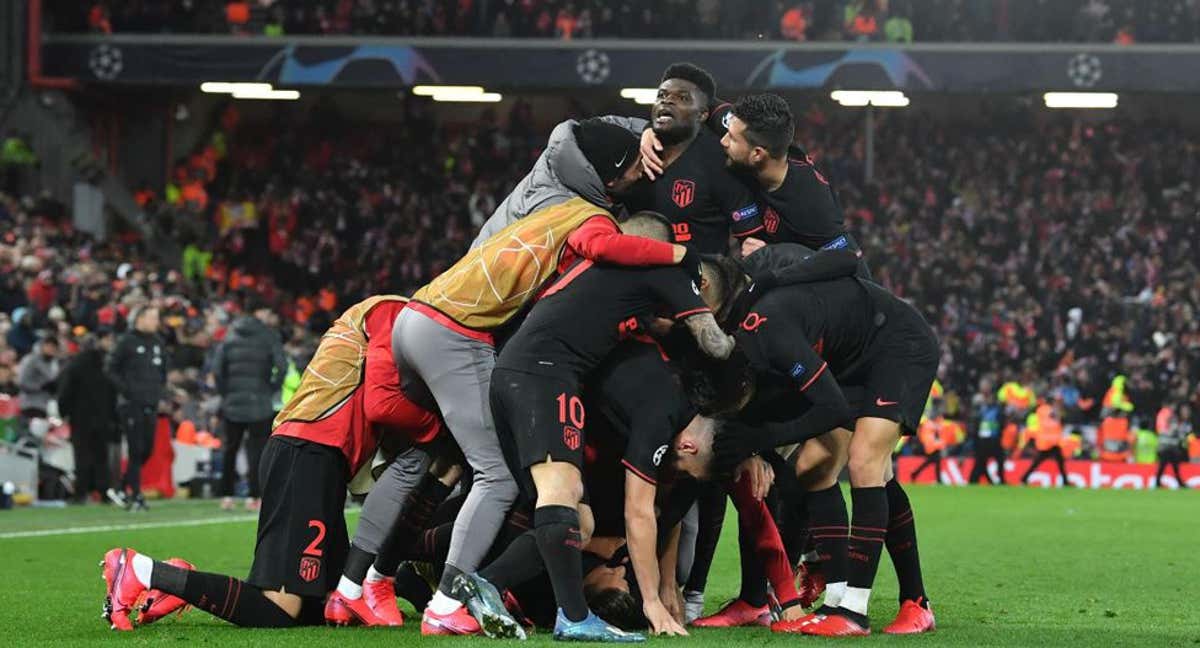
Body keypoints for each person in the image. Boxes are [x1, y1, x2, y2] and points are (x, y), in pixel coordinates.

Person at [391, 119, 700, 637]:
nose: (636, 181)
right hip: (470, 334)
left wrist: (639, 128)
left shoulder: (556, 179)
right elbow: (609, 247)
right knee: (503, 480)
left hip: (443, 320)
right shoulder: (584, 217)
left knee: (486, 478)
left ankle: (382, 576)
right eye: (630, 171)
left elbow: (576, 130)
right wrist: (682, 257)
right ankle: (452, 601)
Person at [99, 296, 441, 631]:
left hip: (317, 455)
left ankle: (179, 582)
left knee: (320, 606)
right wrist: (439, 426)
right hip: (308, 453)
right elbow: (382, 405)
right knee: (281, 609)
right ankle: (143, 571)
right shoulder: (393, 311)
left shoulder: (388, 316)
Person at [452, 248, 733, 642]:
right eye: (686, 467)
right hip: (545, 374)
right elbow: (639, 511)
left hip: (519, 372)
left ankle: (481, 588)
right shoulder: (665, 405)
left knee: (575, 519)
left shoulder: (622, 289)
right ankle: (575, 618)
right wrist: (651, 601)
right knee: (562, 492)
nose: (678, 472)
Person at [703, 252, 939, 637]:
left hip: (898, 345)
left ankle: (856, 613)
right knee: (813, 466)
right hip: (853, 359)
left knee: (865, 461)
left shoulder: (769, 332)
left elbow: (829, 408)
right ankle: (838, 601)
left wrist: (760, 439)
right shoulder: (751, 334)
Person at [211, 297, 287, 511]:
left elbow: (217, 370)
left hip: (232, 403)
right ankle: (255, 496)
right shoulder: (269, 336)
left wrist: (226, 393)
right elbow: (281, 367)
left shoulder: (230, 334)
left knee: (229, 450)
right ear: (260, 312)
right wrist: (269, 389)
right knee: (258, 451)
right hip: (260, 404)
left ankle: (226, 495)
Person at [104, 305, 168, 511]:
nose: (155, 322)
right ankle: (137, 495)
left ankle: (122, 488)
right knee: (135, 449)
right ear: (139, 318)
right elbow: (110, 368)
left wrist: (158, 391)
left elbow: (163, 371)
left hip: (150, 403)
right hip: (131, 404)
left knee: (146, 450)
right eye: (151, 317)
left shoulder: (158, 343)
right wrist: (127, 391)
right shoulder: (126, 342)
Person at [57, 330, 119, 503]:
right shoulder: (106, 366)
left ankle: (80, 494)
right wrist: (114, 416)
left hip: (80, 417)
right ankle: (104, 492)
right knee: (102, 457)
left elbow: (65, 391)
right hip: (103, 417)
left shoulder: (76, 365)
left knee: (81, 456)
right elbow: (113, 392)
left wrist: (64, 412)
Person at [1019, 401, 1070, 487]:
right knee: (1040, 462)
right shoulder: (1051, 414)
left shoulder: (1042, 414)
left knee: (1042, 462)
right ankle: (1024, 478)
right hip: (1049, 443)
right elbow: (1058, 423)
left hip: (1049, 443)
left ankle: (1024, 478)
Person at [16, 334, 61, 430]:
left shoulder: (54, 364)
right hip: (29, 404)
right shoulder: (31, 360)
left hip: (44, 406)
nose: (51, 349)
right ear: (42, 346)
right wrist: (41, 387)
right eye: (48, 345)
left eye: (54, 347)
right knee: (28, 435)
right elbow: (22, 382)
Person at [968, 386, 1006, 485]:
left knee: (999, 459)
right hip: (982, 440)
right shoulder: (980, 409)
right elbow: (975, 423)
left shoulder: (997, 410)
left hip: (994, 440)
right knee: (981, 462)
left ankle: (999, 479)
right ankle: (975, 480)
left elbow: (1001, 423)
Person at [1154, 404, 1191, 489]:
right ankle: (1158, 483)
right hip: (1167, 447)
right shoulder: (1171, 420)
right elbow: (1172, 432)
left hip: (1172, 447)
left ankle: (1178, 483)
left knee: (1173, 467)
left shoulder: (1176, 421)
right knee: (1164, 466)